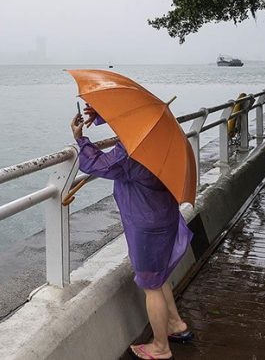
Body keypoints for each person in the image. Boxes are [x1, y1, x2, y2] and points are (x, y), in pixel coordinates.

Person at [71, 105, 194, 360]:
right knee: (161, 276)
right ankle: (175, 325)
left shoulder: (131, 154)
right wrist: (103, 115)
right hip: (165, 216)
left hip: (147, 224)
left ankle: (161, 347)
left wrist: (80, 138)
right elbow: (130, 127)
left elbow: (99, 164)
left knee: (151, 286)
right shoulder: (161, 143)